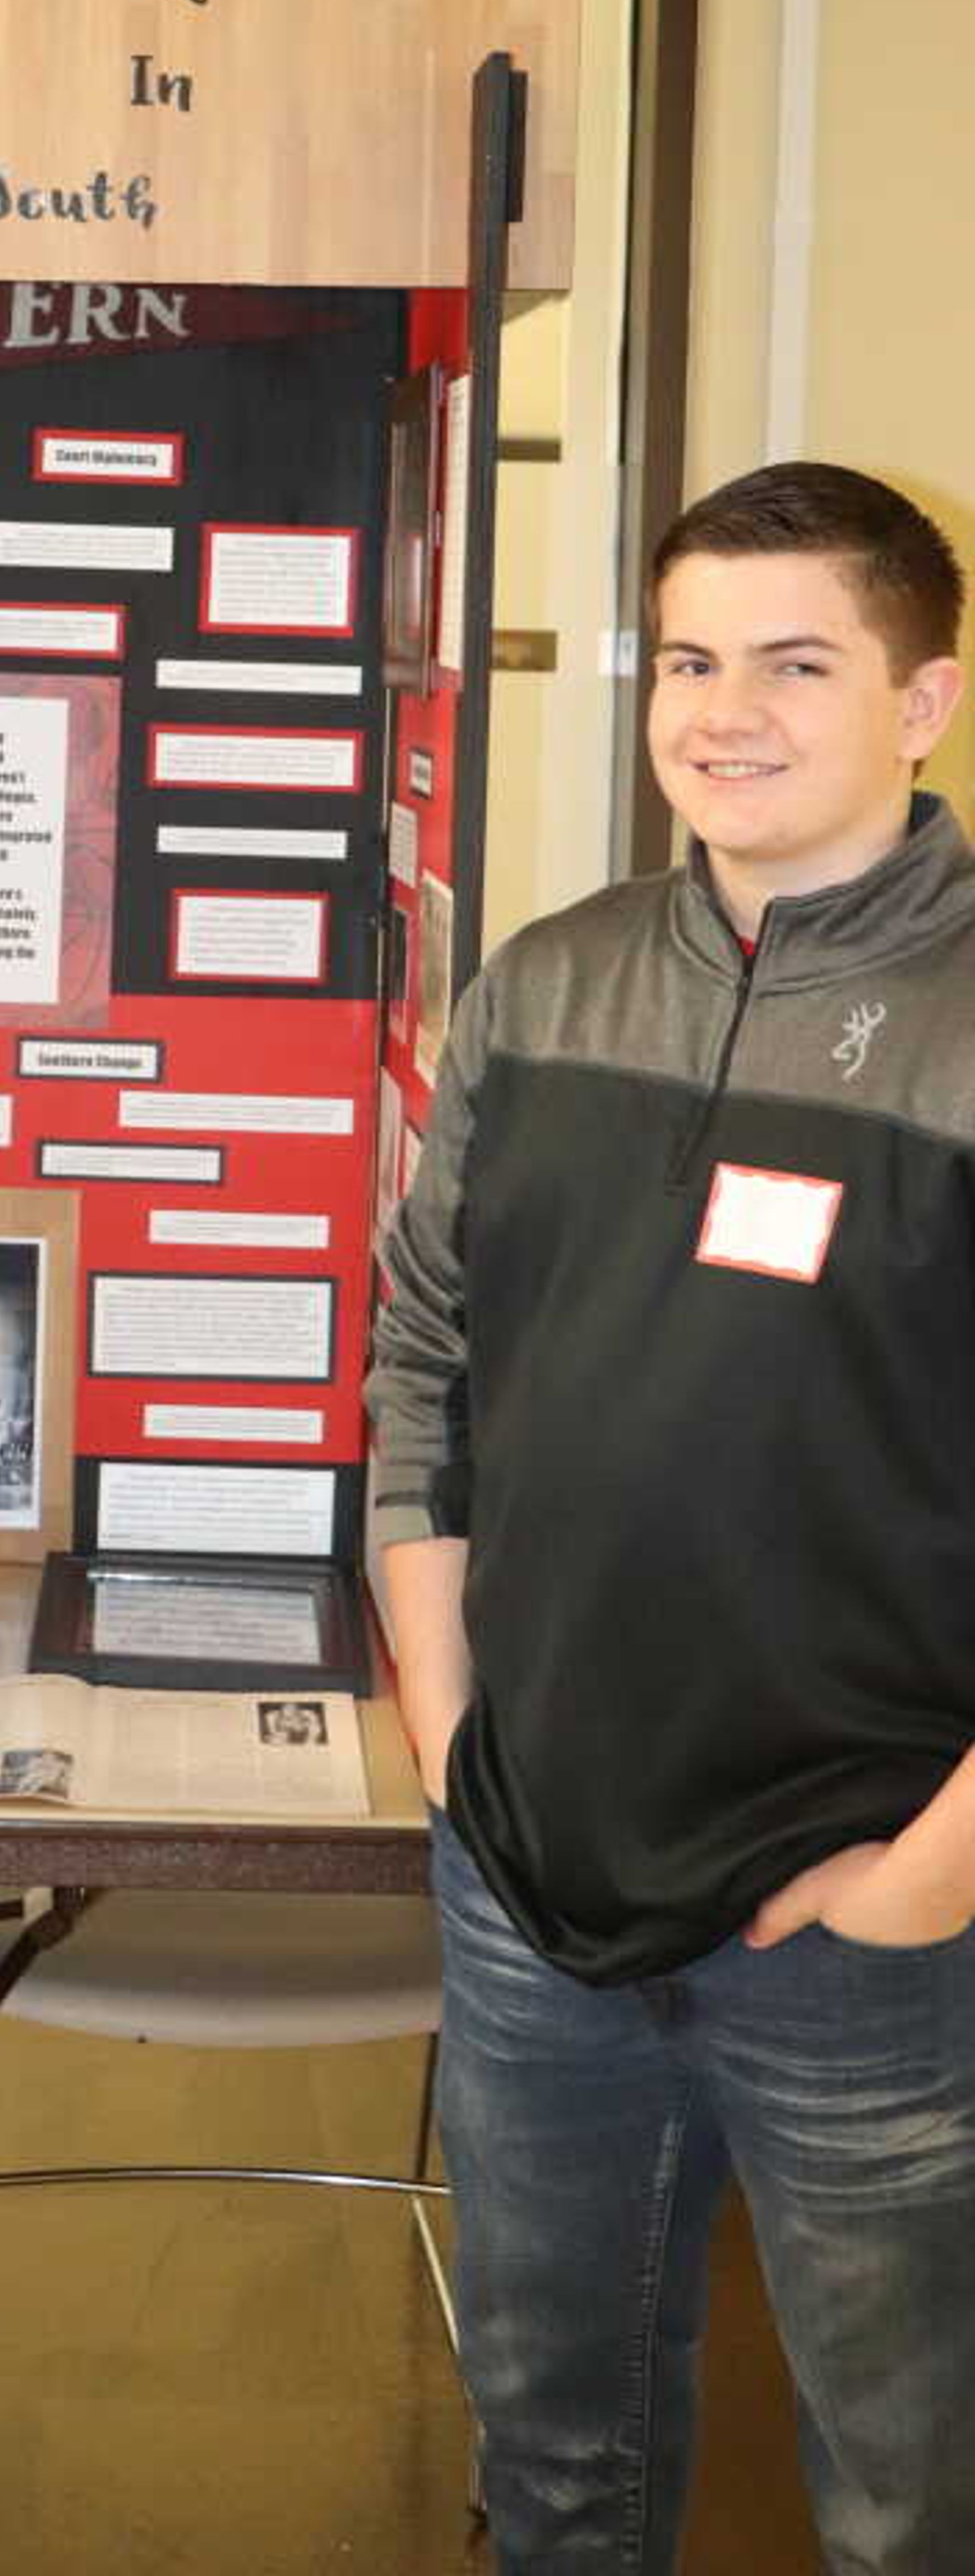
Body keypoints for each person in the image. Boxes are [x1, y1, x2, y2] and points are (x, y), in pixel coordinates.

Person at [367, 460, 975, 2576]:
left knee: (908, 2495)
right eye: (693, 658)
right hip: (536, 1880)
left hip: (872, 1908)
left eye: (799, 663)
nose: (727, 711)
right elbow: (422, 1360)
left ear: (924, 701)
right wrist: (451, 1736)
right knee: (555, 2463)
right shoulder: (546, 986)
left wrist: (936, 1865)